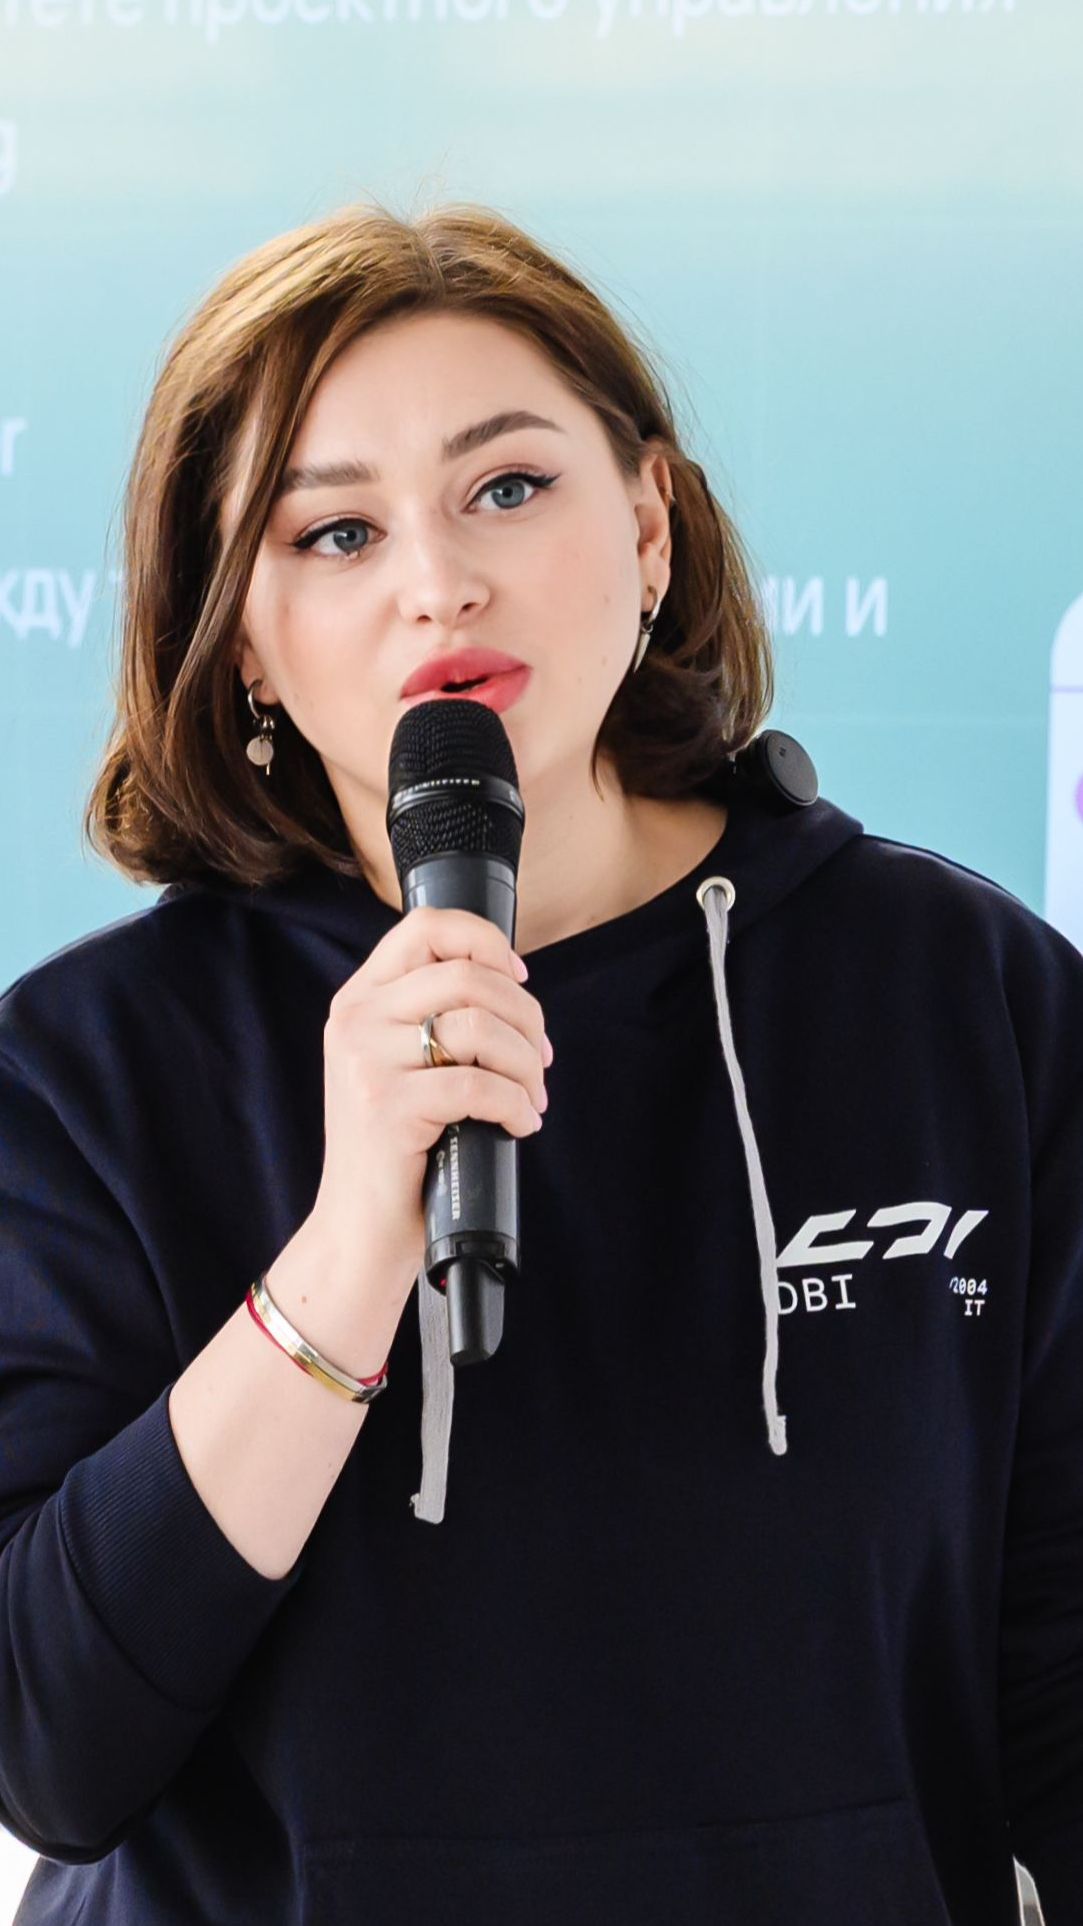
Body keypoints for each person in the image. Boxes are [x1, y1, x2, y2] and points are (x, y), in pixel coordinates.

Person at [0, 198, 1079, 1926]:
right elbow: (53, 1746)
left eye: (506, 486)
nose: (438, 579)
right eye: (336, 533)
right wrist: (347, 1248)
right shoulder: (88, 1072)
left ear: (650, 525)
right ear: (244, 635)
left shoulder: (969, 998)